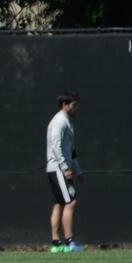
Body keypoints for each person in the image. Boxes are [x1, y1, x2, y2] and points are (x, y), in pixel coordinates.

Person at [46, 91, 85, 252]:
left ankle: (56, 245)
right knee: (71, 202)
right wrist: (65, 168)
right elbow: (56, 146)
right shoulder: (59, 121)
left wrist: (78, 170)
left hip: (58, 169)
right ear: (65, 105)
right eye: (74, 105)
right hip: (58, 168)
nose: (77, 108)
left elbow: (72, 151)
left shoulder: (68, 122)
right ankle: (69, 243)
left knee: (60, 203)